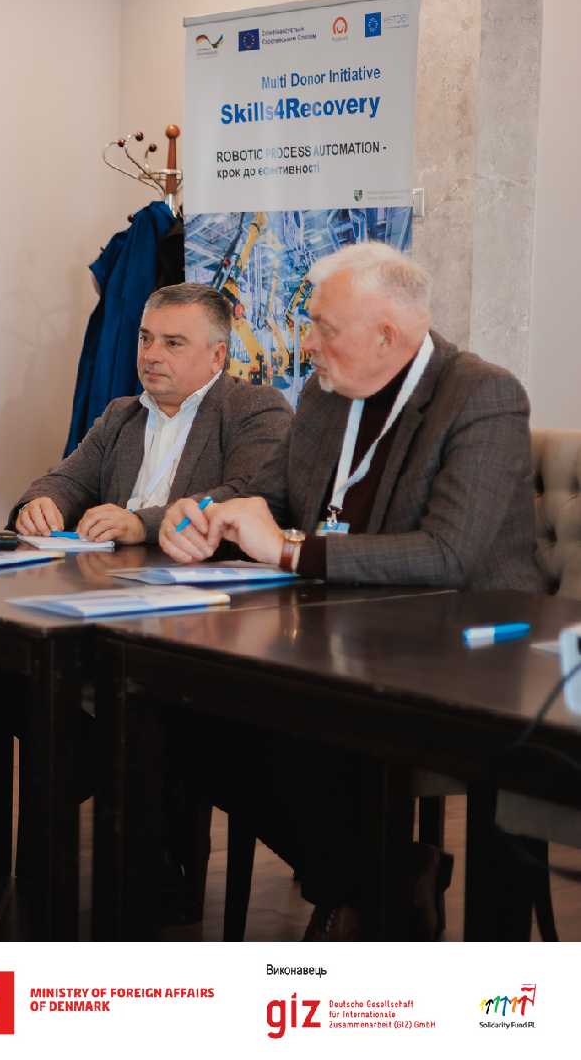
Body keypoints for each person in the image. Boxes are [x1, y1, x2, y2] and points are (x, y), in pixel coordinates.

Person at [158, 242, 543, 939]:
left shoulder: (481, 396)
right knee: (181, 708)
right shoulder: (323, 393)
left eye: (323, 328)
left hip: (466, 649)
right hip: (339, 632)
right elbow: (268, 494)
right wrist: (204, 514)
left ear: (386, 336)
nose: (307, 343)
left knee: (290, 721)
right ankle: (383, 880)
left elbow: (448, 555)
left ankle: (373, 885)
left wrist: (290, 550)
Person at [11, 283, 289, 544]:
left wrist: (143, 524)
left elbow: (247, 497)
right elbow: (68, 481)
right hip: (114, 573)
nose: (150, 355)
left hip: (201, 575)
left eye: (173, 343)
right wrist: (41, 504)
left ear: (217, 356)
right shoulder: (121, 414)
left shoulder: (255, 408)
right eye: (145, 339)